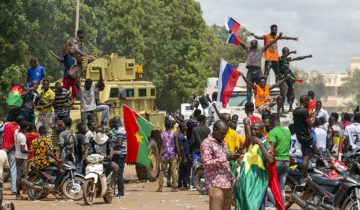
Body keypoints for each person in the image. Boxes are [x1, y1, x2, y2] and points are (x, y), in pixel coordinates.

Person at [201, 120, 239, 210]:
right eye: (222, 133)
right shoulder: (206, 143)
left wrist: (232, 157)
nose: (224, 136)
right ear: (214, 130)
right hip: (215, 183)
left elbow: (225, 157)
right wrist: (225, 158)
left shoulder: (223, 142)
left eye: (225, 133)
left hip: (226, 182)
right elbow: (207, 163)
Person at [236, 122, 275, 210]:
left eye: (256, 129)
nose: (253, 132)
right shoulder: (250, 145)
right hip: (245, 184)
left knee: (254, 206)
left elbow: (270, 160)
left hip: (257, 183)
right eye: (252, 129)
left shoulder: (266, 145)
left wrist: (260, 144)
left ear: (262, 130)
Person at [238, 33, 284, 102]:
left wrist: (278, 38)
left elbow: (270, 44)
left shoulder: (260, 50)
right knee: (249, 89)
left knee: (261, 88)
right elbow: (240, 42)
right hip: (250, 71)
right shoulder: (248, 49)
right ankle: (249, 104)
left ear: (256, 44)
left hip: (258, 71)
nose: (252, 44)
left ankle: (261, 102)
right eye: (251, 43)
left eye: (254, 43)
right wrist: (232, 34)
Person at [293, 95, 318, 182]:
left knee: (316, 151)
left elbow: (302, 120)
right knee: (306, 157)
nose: (309, 104)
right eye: (308, 102)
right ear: (305, 101)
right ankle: (302, 177)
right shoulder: (304, 111)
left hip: (300, 136)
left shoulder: (295, 111)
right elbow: (311, 125)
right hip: (307, 137)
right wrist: (314, 116)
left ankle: (302, 168)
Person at [279, 47, 312, 113]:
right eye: (286, 52)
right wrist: (290, 52)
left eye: (288, 52)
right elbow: (283, 57)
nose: (287, 54)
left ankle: (290, 108)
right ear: (283, 52)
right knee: (283, 93)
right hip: (283, 78)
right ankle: (282, 109)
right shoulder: (280, 58)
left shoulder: (288, 59)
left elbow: (297, 58)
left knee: (291, 92)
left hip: (289, 77)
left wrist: (307, 56)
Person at [268, 113, 291, 204]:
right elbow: (289, 147)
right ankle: (282, 207)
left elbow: (271, 148)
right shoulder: (287, 131)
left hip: (277, 162)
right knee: (281, 188)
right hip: (286, 162)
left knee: (268, 186)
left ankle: (277, 204)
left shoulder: (273, 132)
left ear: (272, 121)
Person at [1, 115, 24, 193]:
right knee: (13, 169)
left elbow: (1, 131)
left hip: (3, 148)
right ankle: (14, 189)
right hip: (12, 150)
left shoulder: (7, 124)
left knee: (1, 168)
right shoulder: (18, 129)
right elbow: (15, 143)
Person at [157, 120, 181, 192]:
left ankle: (160, 187)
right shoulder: (174, 134)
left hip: (164, 155)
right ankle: (174, 187)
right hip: (172, 155)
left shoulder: (161, 134)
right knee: (174, 171)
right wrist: (179, 156)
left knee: (162, 171)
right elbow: (176, 145)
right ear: (171, 126)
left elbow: (159, 144)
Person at [109, 117, 127, 198]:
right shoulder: (118, 130)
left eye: (112, 123)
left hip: (119, 154)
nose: (111, 125)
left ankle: (120, 193)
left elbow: (119, 143)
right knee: (116, 173)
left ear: (115, 123)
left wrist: (112, 148)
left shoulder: (120, 130)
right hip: (118, 154)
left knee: (119, 173)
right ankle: (116, 191)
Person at [14, 121, 31, 200]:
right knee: (20, 177)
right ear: (24, 128)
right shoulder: (22, 137)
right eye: (27, 127)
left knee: (19, 176)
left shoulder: (16, 133)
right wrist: (31, 151)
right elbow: (23, 150)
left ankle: (18, 194)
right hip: (22, 157)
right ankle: (18, 195)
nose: (27, 129)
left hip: (17, 156)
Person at [178, 122, 190, 190]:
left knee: (185, 170)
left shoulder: (183, 134)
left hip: (185, 154)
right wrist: (184, 157)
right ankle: (181, 185)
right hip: (183, 155)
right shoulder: (180, 136)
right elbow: (181, 147)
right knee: (182, 170)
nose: (186, 127)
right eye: (185, 126)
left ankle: (184, 184)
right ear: (182, 128)